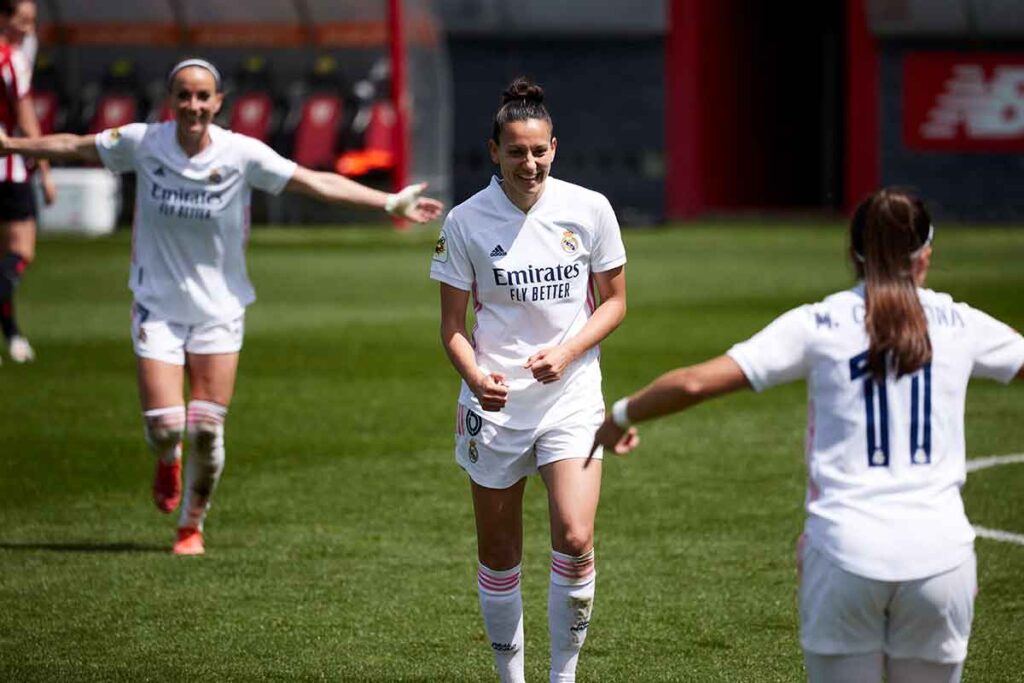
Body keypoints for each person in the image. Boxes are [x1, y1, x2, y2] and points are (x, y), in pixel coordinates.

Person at [0, 57, 443, 555]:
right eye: (184, 95)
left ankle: (191, 525)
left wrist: (387, 202)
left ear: (217, 102)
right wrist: (11, 146)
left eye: (202, 96)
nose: (193, 105)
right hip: (157, 307)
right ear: (171, 101)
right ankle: (167, 459)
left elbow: (314, 181)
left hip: (220, 310)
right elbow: (75, 146)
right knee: (166, 427)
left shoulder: (241, 153)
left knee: (207, 431)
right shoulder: (143, 142)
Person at [592, 188, 1024, 683]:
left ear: (852, 253)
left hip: (844, 555)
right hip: (942, 561)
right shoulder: (962, 323)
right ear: (925, 255)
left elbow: (694, 383)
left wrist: (620, 415)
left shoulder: (819, 322)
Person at [430, 77, 627, 683]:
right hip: (494, 406)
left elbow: (615, 303)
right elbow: (451, 327)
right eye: (516, 151)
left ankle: (563, 676)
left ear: (554, 147)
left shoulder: (589, 209)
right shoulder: (464, 221)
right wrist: (475, 375)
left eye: (539, 150)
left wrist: (567, 353)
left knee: (575, 534)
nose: (530, 163)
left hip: (571, 395)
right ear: (494, 151)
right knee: (499, 554)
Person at [0, 0, 55, 364]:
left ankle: (13, 335)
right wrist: (45, 169)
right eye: (23, 21)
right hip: (8, 168)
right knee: (21, 253)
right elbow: (25, 119)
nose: (29, 29)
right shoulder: (12, 59)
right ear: (3, 18)